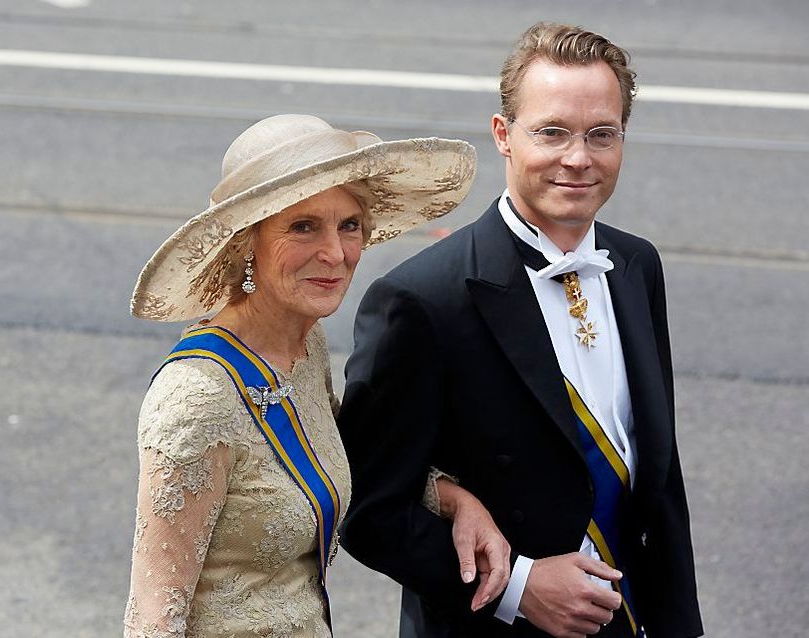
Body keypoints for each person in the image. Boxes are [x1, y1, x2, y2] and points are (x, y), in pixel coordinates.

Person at [338, 23, 703, 638]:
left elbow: (659, 480)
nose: (578, 158)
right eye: (552, 132)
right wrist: (518, 586)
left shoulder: (637, 265)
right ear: (504, 136)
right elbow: (366, 507)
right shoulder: (422, 300)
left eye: (601, 134)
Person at [124, 114, 506, 637]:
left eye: (349, 224)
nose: (335, 253)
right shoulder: (196, 399)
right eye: (303, 226)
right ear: (245, 244)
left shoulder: (303, 345)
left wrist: (451, 498)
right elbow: (152, 620)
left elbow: (333, 455)